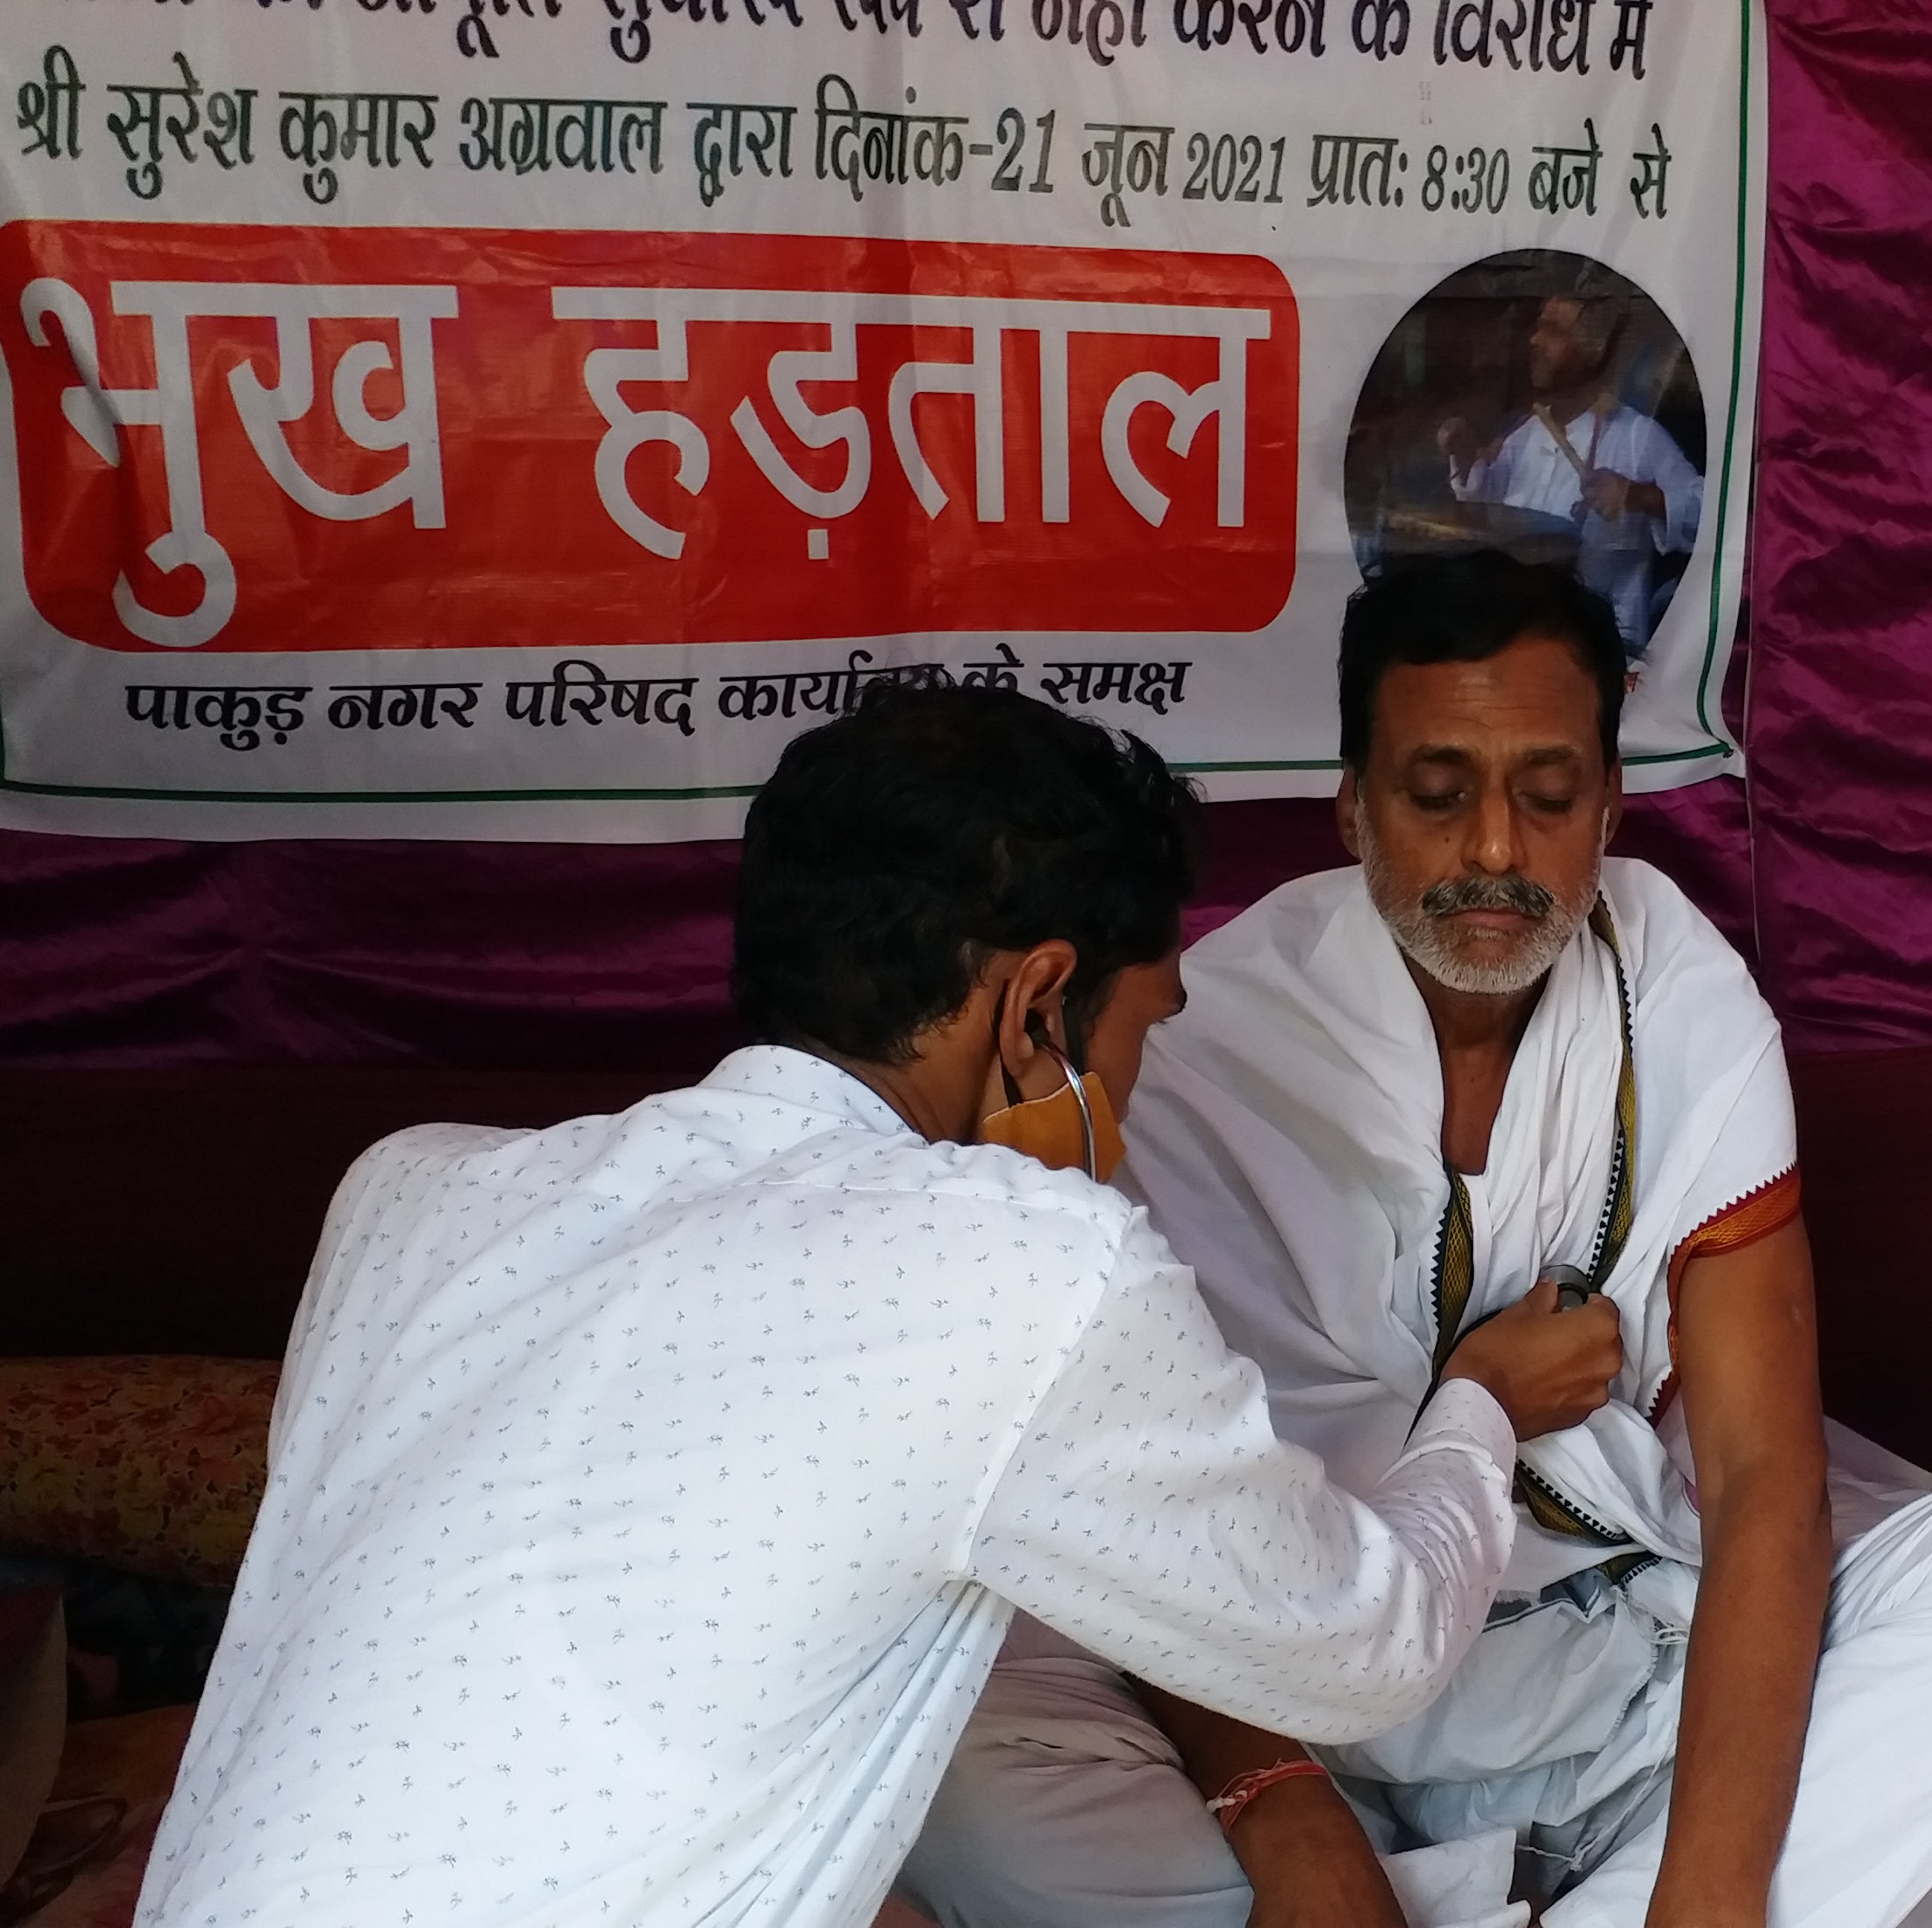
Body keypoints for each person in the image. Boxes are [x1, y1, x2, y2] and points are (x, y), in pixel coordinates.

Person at [137, 687, 1625, 1928]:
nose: (1136, 1095)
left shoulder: (413, 1199)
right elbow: (1363, 1653)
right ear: (1037, 1008)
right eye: (1142, 1035)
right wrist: (1478, 1401)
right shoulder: (1025, 1266)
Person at [901, 550, 1932, 1928]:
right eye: (1435, 797)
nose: (1494, 850)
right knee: (946, 1716)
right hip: (1297, 1693)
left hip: (1618, 1679)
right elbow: (1131, 1523)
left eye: (1547, 797)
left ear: (1608, 803)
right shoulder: (1199, 1033)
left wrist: (1706, 1905)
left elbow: (1759, 1477)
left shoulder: (1674, 989)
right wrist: (1285, 1813)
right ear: (1353, 808)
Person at [1440, 293, 1706, 663]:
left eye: (1552, 330)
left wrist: (1638, 496)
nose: (1534, 340)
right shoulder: (1527, 432)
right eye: (1537, 327)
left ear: (1593, 351)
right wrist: (1467, 457)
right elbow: (1488, 499)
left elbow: (1712, 513)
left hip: (1599, 653)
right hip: (1515, 640)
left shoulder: (1637, 437)